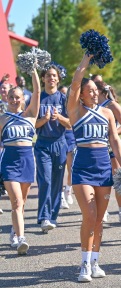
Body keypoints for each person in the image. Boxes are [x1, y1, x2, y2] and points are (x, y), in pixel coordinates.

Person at [67, 54, 121, 282]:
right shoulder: (75, 111)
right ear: (81, 93)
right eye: (88, 90)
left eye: (95, 90)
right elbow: (74, 81)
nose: (93, 93)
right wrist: (85, 59)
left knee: (100, 219)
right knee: (89, 215)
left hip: (103, 167)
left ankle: (94, 261)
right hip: (82, 168)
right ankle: (83, 263)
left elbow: (115, 141)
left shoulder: (108, 113)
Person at [0, 67, 40, 254]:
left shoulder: (31, 116)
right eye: (11, 97)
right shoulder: (1, 119)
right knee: (16, 201)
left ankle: (14, 231)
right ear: (6, 99)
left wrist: (33, 72)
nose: (15, 100)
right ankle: (21, 239)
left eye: (18, 97)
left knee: (21, 203)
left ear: (24, 99)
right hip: (9, 162)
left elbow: (38, 92)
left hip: (26, 162)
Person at [35, 65, 70, 233]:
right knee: (46, 180)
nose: (52, 78)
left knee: (57, 182)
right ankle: (44, 217)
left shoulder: (64, 99)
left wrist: (59, 117)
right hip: (42, 144)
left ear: (58, 78)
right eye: (48, 75)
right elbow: (32, 124)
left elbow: (71, 123)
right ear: (43, 78)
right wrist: (44, 120)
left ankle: (53, 216)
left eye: (54, 75)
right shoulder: (37, 98)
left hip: (60, 143)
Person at [95, 80, 121, 224]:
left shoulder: (112, 105)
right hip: (97, 147)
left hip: (112, 146)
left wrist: (112, 135)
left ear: (101, 91)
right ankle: (103, 211)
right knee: (101, 180)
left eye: (93, 89)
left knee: (118, 178)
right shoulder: (90, 106)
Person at [57, 85, 75, 209]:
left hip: (72, 137)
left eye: (66, 93)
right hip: (60, 136)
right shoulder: (57, 105)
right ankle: (60, 197)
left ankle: (68, 190)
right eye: (62, 93)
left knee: (72, 168)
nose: (64, 96)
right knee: (60, 169)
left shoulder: (74, 105)